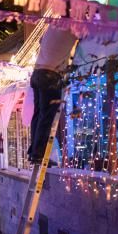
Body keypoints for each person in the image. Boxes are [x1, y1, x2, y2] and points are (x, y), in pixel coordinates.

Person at [27, 27, 77, 164]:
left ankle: (34, 152)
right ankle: (38, 154)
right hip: (51, 75)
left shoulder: (53, 25)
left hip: (37, 73)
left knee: (38, 115)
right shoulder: (75, 28)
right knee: (46, 117)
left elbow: (41, 40)